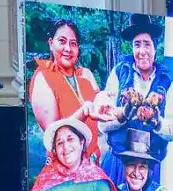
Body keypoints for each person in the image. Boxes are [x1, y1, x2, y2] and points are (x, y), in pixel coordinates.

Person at [29, 18, 113, 163]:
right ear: (50, 43)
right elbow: (54, 136)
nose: (68, 48)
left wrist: (111, 104)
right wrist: (84, 111)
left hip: (92, 166)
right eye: (62, 41)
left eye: (73, 43)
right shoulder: (43, 77)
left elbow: (101, 111)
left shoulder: (86, 74)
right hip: (64, 169)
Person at [101, 16, 173, 170]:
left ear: (155, 48)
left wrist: (157, 121)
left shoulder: (165, 82)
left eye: (147, 44)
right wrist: (124, 113)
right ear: (132, 48)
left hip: (149, 166)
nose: (142, 51)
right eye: (137, 45)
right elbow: (102, 124)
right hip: (118, 161)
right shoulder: (119, 73)